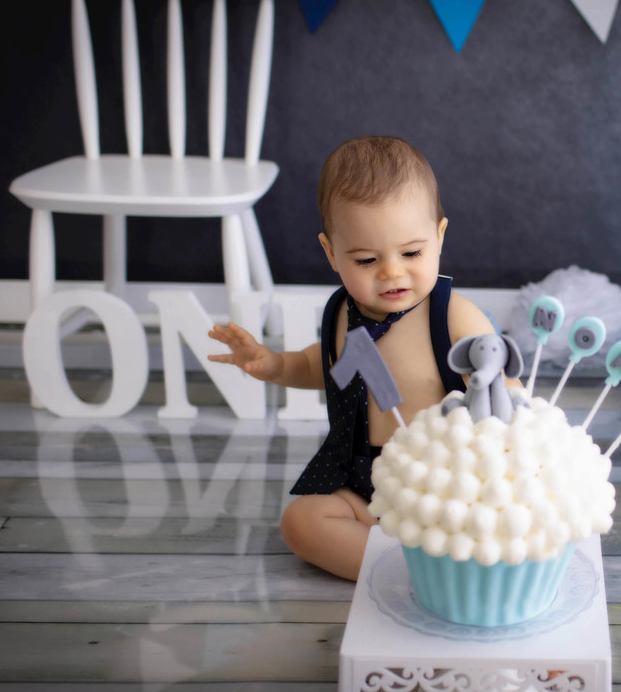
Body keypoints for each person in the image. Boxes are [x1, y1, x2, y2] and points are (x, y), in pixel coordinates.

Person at [207, 136, 502, 581]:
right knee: (302, 522)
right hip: (368, 479)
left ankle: (441, 558)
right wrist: (276, 365)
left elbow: (504, 392)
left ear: (439, 236)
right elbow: (327, 368)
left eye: (412, 252)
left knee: (483, 519)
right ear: (331, 253)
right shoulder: (343, 313)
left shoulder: (453, 317)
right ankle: (405, 573)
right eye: (366, 260)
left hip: (447, 480)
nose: (392, 272)